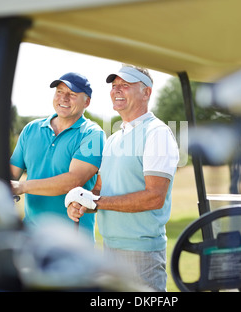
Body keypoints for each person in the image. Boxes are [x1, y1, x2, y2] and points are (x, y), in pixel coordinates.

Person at [66, 64, 180, 291]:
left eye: (125, 86)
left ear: (146, 92)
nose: (116, 90)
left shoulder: (157, 134)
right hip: (109, 248)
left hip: (141, 255)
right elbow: (101, 189)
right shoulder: (113, 139)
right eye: (114, 85)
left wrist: (96, 202)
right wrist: (82, 202)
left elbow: (154, 197)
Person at [10, 72, 105, 241]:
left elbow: (73, 181)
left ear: (87, 102)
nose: (64, 98)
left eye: (72, 94)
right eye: (60, 91)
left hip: (72, 243)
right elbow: (11, 173)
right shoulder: (31, 129)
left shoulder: (92, 135)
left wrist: (21, 187)